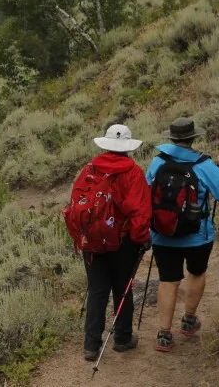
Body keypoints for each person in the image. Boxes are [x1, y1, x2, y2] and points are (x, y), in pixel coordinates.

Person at [146, 117, 219, 353]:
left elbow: (147, 192)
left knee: (168, 280)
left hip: (163, 233)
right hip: (198, 235)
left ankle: (164, 334)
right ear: (193, 137)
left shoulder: (158, 161)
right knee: (196, 273)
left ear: (171, 138)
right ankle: (188, 320)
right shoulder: (204, 163)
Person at [65, 124, 152, 362]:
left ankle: (91, 345)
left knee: (97, 290)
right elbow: (140, 211)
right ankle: (122, 338)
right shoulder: (133, 173)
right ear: (127, 147)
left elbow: (76, 204)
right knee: (122, 289)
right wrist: (141, 238)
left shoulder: (89, 169)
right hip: (122, 242)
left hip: (92, 241)